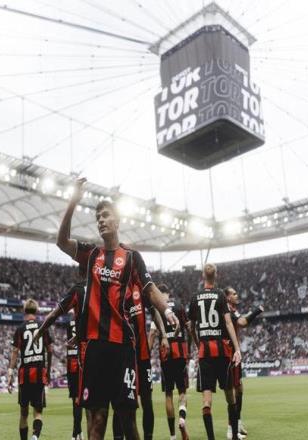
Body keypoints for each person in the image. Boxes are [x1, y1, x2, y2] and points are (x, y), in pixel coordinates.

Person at [57, 177, 179, 440]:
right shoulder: (92, 255)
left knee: (128, 421)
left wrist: (167, 310)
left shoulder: (132, 257)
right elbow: (62, 242)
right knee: (97, 421)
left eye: (105, 216)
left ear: (117, 221)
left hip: (122, 348)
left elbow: (150, 288)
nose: (100, 220)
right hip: (95, 349)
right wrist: (73, 202)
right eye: (97, 217)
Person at [188, 264, 242, 440]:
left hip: (205, 353)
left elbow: (191, 326)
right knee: (230, 397)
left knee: (206, 401)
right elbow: (228, 322)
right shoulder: (220, 295)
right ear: (216, 275)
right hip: (222, 352)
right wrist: (237, 348)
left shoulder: (195, 298)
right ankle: (234, 435)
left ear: (203, 275)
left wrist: (198, 343)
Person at [113, 282, 169, 440]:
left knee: (147, 402)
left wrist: (164, 336)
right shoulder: (115, 289)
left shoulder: (140, 289)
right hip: (123, 359)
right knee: (121, 404)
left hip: (142, 357)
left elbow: (154, 312)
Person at [35, 281, 87, 440]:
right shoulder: (84, 315)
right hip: (84, 356)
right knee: (87, 399)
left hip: (72, 361)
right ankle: (78, 432)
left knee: (75, 399)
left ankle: (76, 432)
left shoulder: (70, 322)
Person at [149, 284, 190, 440]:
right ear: (168, 293)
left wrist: (146, 355)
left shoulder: (158, 309)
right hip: (180, 352)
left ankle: (172, 436)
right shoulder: (179, 306)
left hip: (165, 354)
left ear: (159, 293)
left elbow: (153, 333)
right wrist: (189, 347)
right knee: (182, 391)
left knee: (168, 394)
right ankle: (182, 417)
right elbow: (189, 327)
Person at [8, 299, 53, 440]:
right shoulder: (43, 327)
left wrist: (10, 373)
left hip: (25, 374)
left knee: (23, 413)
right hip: (39, 372)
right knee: (38, 412)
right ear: (37, 311)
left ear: (24, 310)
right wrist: (48, 370)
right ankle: (35, 436)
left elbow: (15, 351)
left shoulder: (20, 329)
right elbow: (50, 350)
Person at [224, 287, 264, 439]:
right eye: (234, 293)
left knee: (239, 388)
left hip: (234, 352)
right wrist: (257, 311)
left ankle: (238, 422)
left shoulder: (232, 309)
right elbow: (243, 322)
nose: (237, 295)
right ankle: (231, 428)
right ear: (228, 297)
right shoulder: (228, 309)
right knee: (233, 392)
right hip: (229, 353)